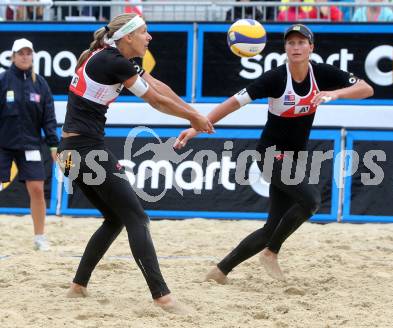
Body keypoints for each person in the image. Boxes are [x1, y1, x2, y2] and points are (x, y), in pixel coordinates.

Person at [174, 24, 373, 283]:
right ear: (285, 48)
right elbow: (233, 103)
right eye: (291, 43)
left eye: (302, 42)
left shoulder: (321, 74)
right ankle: (270, 253)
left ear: (311, 48)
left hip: (295, 157)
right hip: (270, 154)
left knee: (272, 227)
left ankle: (220, 271)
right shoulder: (275, 78)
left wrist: (334, 94)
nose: (296, 47)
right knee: (311, 200)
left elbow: (366, 88)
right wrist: (195, 127)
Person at [58, 13, 213, 313]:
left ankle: (78, 287)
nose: (149, 37)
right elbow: (154, 101)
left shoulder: (113, 58)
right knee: (137, 218)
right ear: (127, 36)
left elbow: (159, 87)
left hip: (69, 153)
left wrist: (193, 112)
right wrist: (192, 117)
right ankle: (162, 297)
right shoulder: (112, 61)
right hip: (85, 150)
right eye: (144, 32)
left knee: (116, 218)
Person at [0, 38, 58, 251]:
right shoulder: (3, 80)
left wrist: (53, 146)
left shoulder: (40, 84)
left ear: (32, 56)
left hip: (31, 145)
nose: (25, 56)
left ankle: (39, 238)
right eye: (20, 53)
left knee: (37, 189)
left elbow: (49, 118)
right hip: (3, 144)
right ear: (13, 56)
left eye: (28, 53)